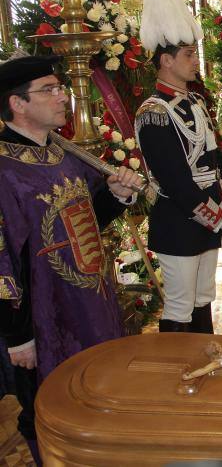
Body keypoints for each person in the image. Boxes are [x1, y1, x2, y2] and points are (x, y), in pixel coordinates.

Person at [0, 55, 143, 463]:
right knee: (47, 408)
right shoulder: (4, 170)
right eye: (50, 89)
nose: (63, 96)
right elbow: (3, 259)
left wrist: (116, 192)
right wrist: (16, 334)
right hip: (43, 317)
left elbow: (83, 222)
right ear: (18, 104)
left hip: (91, 301)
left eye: (61, 87)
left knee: (99, 389)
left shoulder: (64, 154)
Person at [135, 0, 222, 334]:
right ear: (166, 60)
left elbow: (216, 156)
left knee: (203, 300)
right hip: (180, 222)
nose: (196, 61)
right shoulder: (153, 112)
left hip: (210, 218)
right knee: (180, 306)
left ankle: (204, 366)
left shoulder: (194, 101)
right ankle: (176, 376)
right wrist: (216, 218)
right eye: (189, 54)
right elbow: (176, 182)